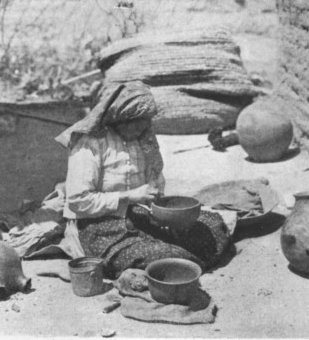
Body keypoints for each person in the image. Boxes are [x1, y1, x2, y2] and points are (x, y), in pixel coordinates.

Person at [55, 81, 229, 279]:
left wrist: (163, 214)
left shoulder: (143, 138)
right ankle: (175, 263)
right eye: (137, 122)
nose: (144, 127)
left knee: (213, 225)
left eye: (146, 121)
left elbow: (155, 180)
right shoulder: (90, 144)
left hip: (138, 216)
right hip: (102, 229)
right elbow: (78, 201)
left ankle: (178, 261)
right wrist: (130, 196)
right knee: (167, 256)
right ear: (120, 117)